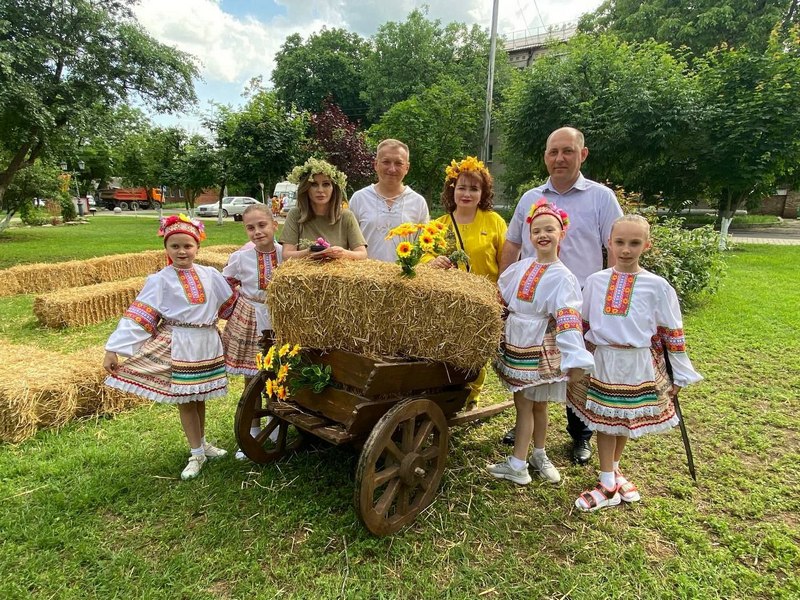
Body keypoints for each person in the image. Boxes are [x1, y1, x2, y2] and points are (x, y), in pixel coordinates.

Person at [499, 127, 623, 464]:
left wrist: (608, 301)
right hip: (533, 303)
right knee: (532, 368)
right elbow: (512, 243)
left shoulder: (600, 198)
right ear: (545, 156)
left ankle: (579, 435)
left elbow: (615, 248)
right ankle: (523, 428)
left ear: (582, 155)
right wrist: (503, 288)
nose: (559, 158)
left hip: (577, 301)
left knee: (577, 373)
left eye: (567, 151)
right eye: (553, 152)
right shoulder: (530, 198)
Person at [570, 215, 702, 510]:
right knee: (606, 421)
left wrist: (678, 374)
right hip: (604, 359)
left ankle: (613, 473)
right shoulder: (595, 281)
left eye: (634, 243)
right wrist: (577, 360)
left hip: (637, 360)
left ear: (647, 245)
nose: (626, 249)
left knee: (624, 420)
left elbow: (672, 330)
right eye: (620, 242)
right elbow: (584, 324)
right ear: (609, 243)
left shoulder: (657, 286)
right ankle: (608, 483)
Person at [103, 214, 238, 480]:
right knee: (186, 400)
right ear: (166, 249)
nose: (182, 251)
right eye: (174, 246)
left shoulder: (210, 275)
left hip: (208, 342)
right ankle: (196, 452)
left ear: (198, 247)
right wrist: (113, 348)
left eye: (187, 245)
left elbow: (229, 305)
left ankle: (202, 443)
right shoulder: (161, 280)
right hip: (181, 343)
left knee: (199, 397)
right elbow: (140, 315)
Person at [488, 200, 594, 485]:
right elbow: (502, 297)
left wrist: (576, 358)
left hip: (539, 346)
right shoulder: (521, 268)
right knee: (535, 405)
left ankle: (519, 464)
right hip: (518, 339)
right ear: (530, 235)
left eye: (549, 229)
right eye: (536, 230)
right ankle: (538, 453)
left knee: (528, 405)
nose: (542, 235)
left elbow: (568, 319)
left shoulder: (563, 277)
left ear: (562, 234)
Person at [426, 156, 507, 406]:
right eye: (461, 187)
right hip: (447, 301)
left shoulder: (494, 222)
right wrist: (432, 262)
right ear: (452, 190)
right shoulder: (438, 225)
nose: (467, 194)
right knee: (447, 347)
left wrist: (501, 293)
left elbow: (506, 261)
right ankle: (444, 391)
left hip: (484, 300)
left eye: (474, 188)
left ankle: (471, 395)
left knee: (476, 349)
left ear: (483, 193)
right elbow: (422, 257)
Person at [222, 204, 283, 459]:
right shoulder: (240, 258)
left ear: (274, 225)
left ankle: (279, 429)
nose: (257, 232)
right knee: (252, 378)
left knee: (279, 375)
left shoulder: (286, 254)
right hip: (251, 319)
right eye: (250, 227)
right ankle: (253, 429)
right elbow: (225, 283)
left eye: (262, 225)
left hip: (279, 317)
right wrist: (232, 308)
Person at [349, 139, 429, 262]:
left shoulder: (418, 202)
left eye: (398, 163)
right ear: (375, 164)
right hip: (364, 278)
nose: (392, 169)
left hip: (405, 278)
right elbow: (348, 242)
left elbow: (424, 248)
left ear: (407, 167)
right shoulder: (359, 198)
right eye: (386, 162)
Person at [280, 158, 367, 260]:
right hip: (304, 274)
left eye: (326, 184)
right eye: (314, 184)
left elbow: (362, 254)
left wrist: (342, 253)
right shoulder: (295, 214)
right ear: (306, 188)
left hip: (338, 274)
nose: (320, 190)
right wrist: (309, 252)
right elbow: (286, 255)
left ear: (333, 188)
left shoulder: (346, 216)